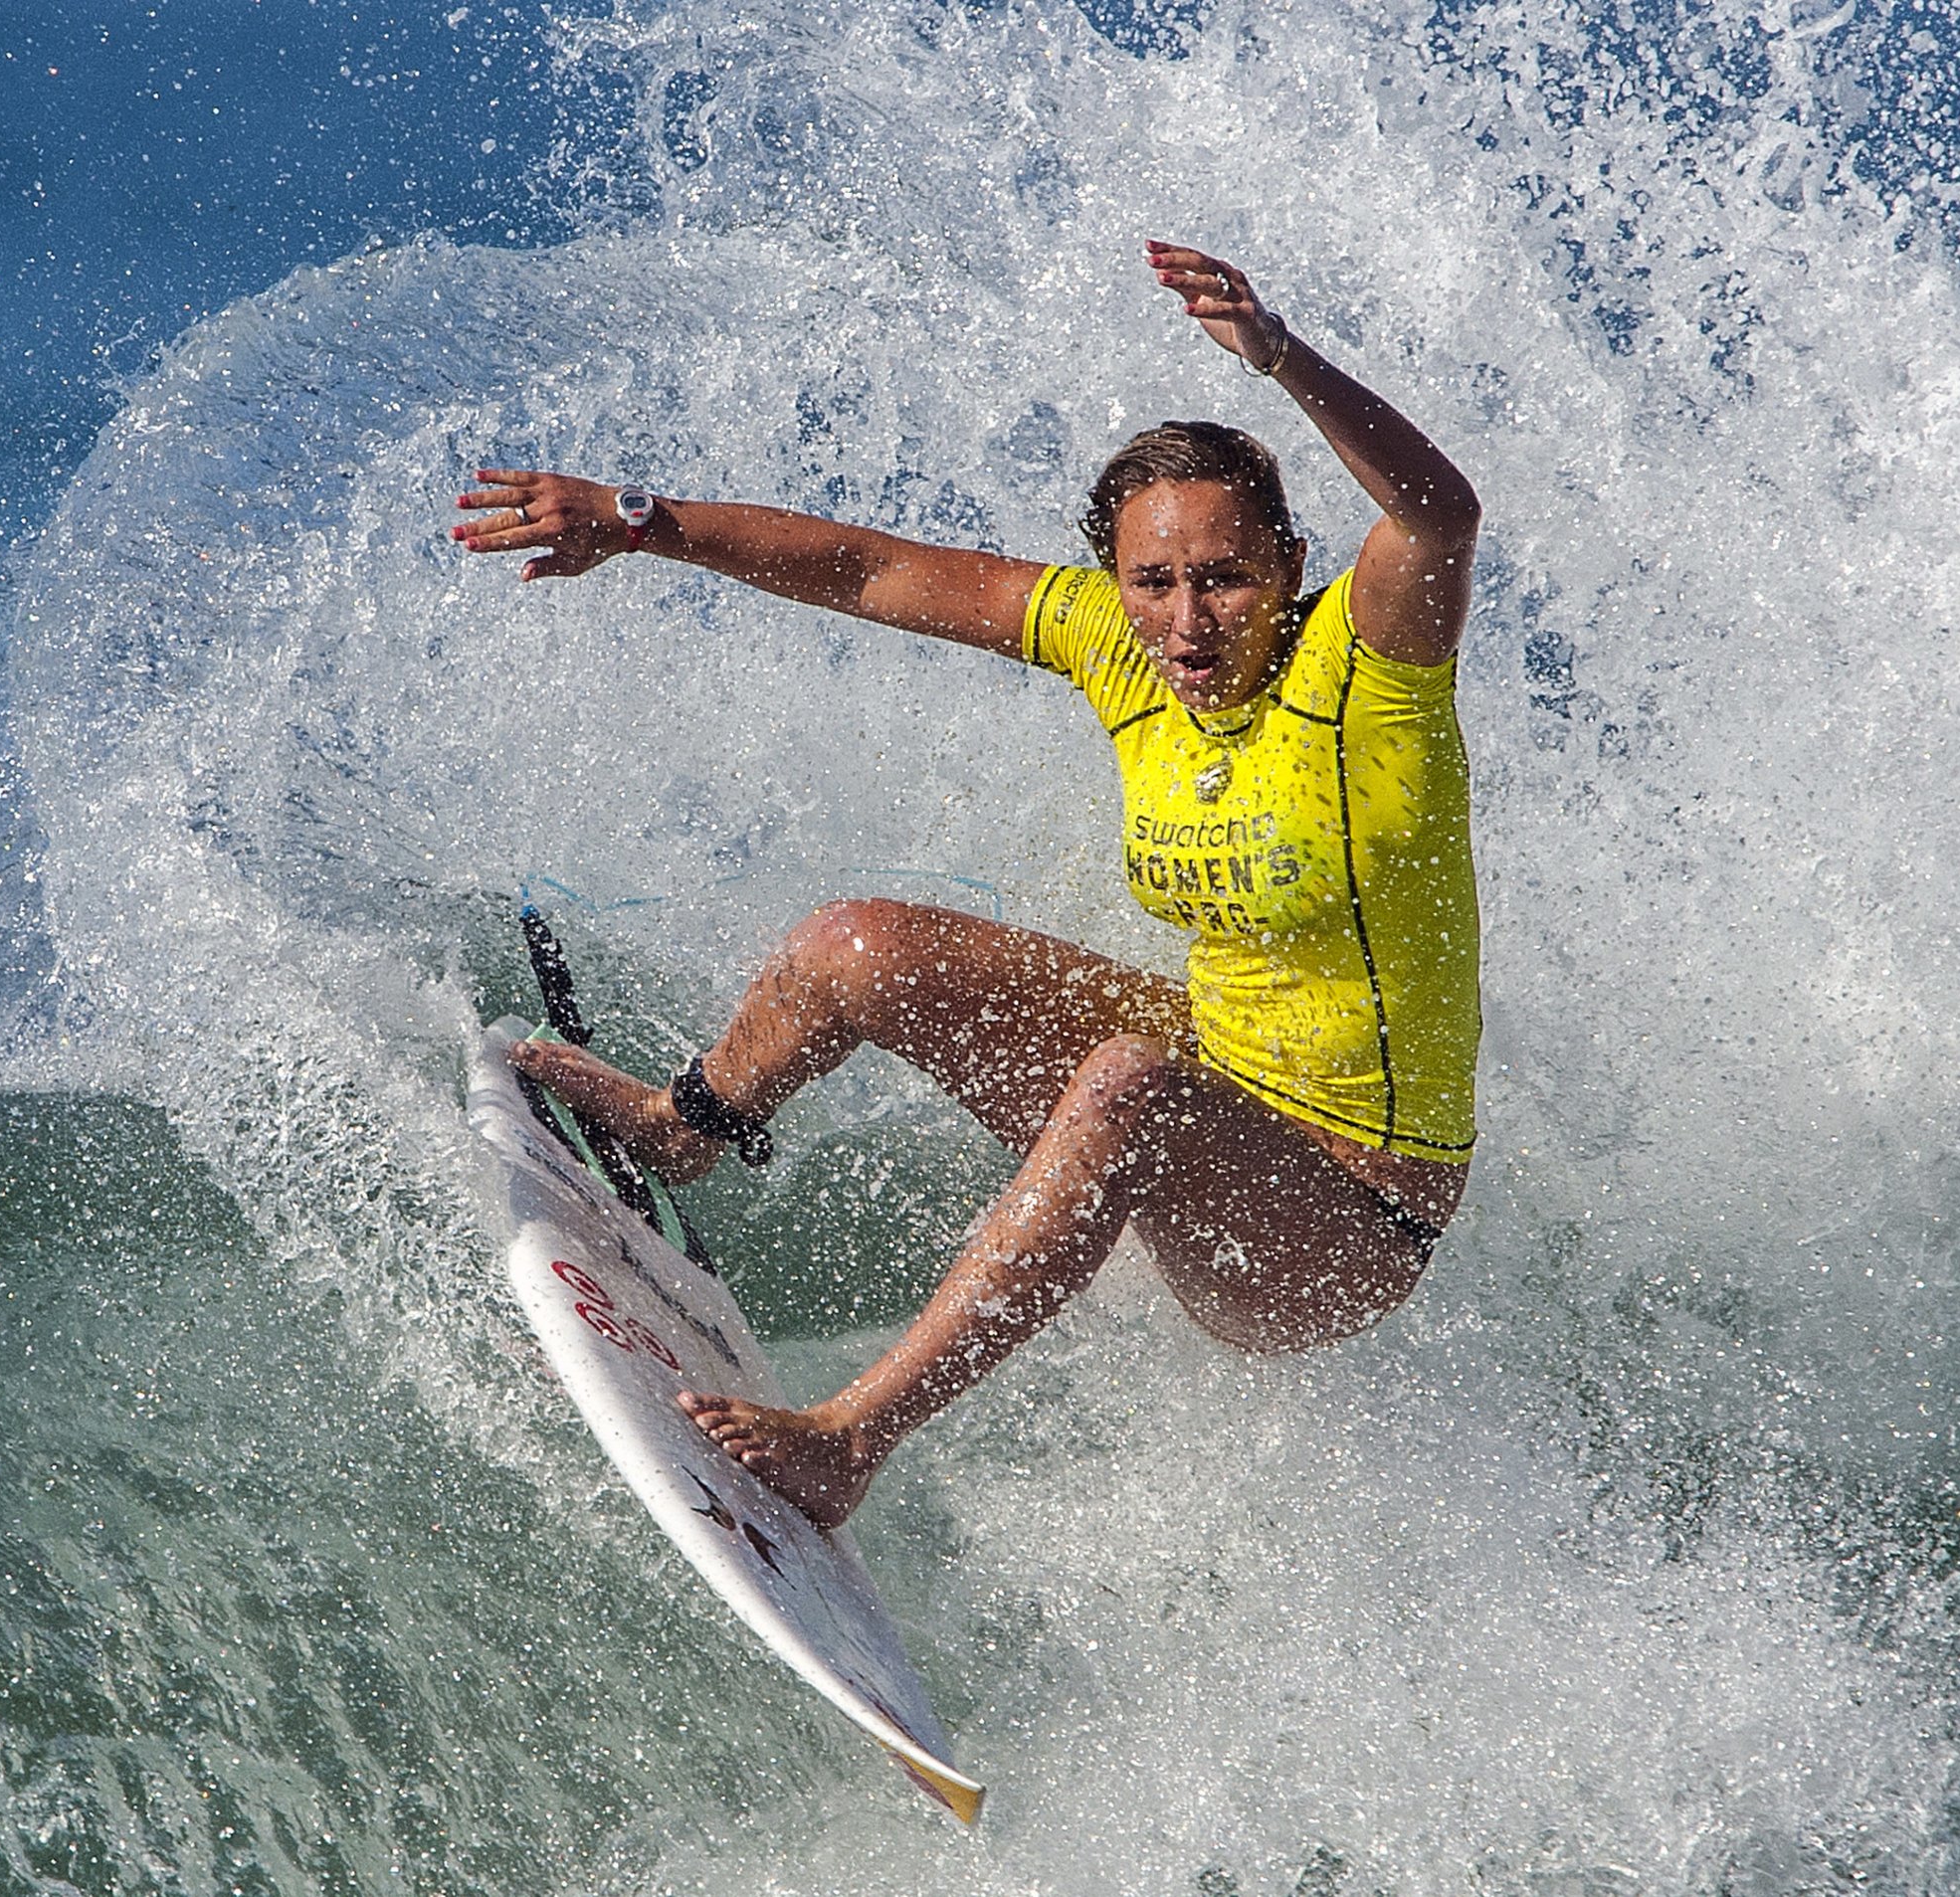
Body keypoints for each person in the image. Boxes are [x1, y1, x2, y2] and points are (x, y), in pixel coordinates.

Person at [451, 241, 1481, 1528]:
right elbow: (867, 569)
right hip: (1215, 1081)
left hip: (1341, 1226)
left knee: (1127, 1085)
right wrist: (638, 523)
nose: (1187, 620)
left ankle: (848, 1439)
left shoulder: (1367, 670)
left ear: (1287, 567)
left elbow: (1438, 515)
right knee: (855, 943)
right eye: (1152, 582)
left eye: (1225, 578)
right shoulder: (1118, 644)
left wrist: (1283, 360)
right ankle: (678, 1131)